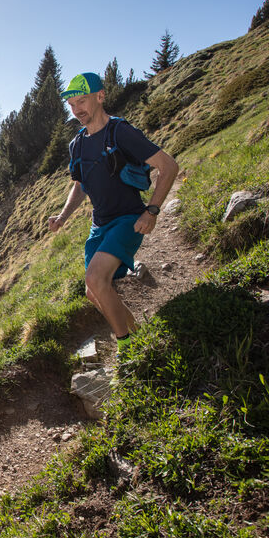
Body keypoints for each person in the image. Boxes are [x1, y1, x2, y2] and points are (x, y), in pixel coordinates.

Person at [49, 72, 179, 353]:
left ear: (100, 96)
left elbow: (168, 167)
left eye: (81, 101)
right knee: (92, 291)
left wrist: (152, 211)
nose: (76, 110)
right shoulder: (77, 144)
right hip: (100, 224)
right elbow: (80, 185)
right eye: (71, 105)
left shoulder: (121, 132)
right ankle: (138, 336)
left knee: (96, 279)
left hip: (128, 219)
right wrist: (62, 217)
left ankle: (128, 349)